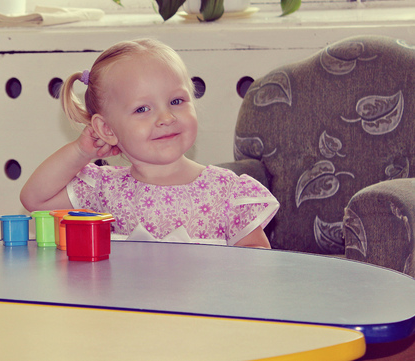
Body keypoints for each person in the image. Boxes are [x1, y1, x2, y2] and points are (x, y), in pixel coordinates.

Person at [20, 38, 278, 248]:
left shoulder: (226, 191)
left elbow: (257, 261)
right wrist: (80, 151)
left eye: (176, 101)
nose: (166, 118)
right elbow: (35, 200)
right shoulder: (104, 188)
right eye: (142, 109)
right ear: (107, 129)